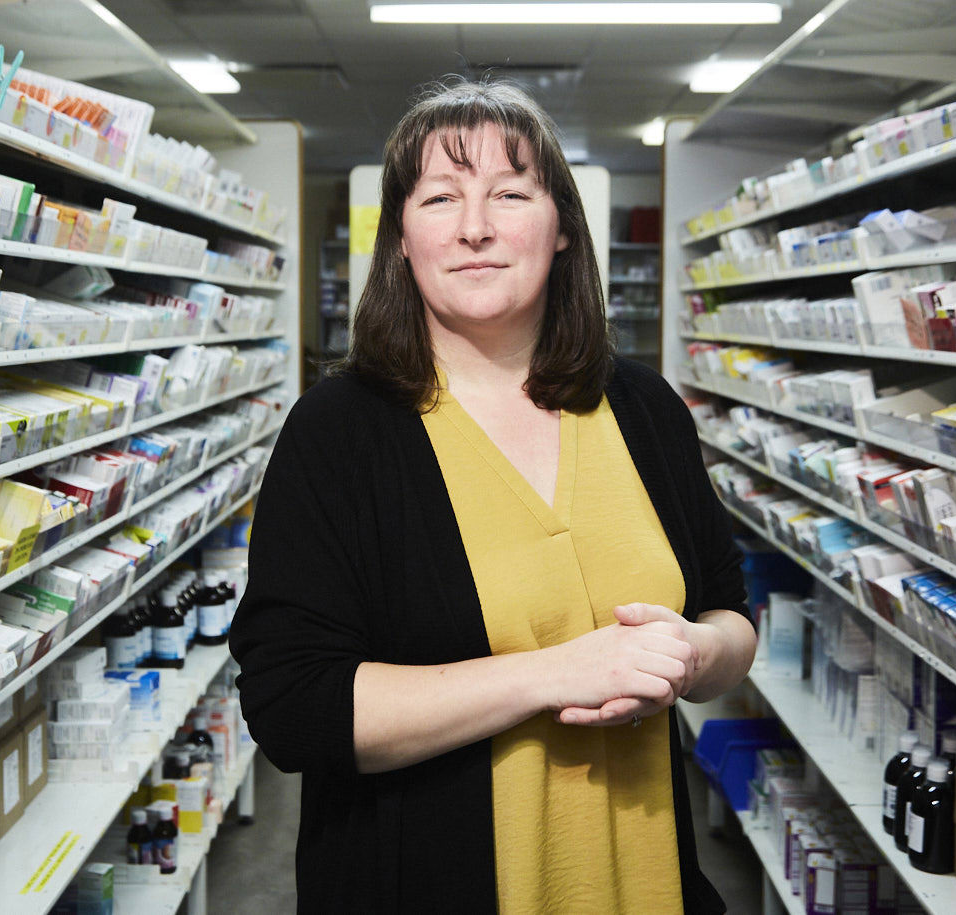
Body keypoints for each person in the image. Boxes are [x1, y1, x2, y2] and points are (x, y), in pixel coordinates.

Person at [230, 78, 757, 914]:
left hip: (643, 881)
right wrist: (553, 673)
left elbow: (730, 614)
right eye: (441, 196)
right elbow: (294, 707)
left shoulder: (646, 408)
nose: (475, 226)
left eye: (510, 193)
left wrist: (693, 654)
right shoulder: (340, 431)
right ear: (402, 237)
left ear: (561, 233)